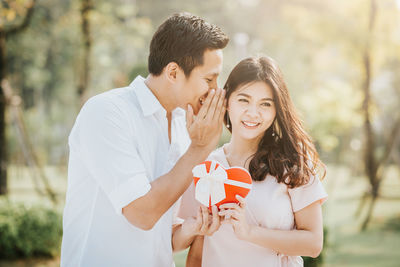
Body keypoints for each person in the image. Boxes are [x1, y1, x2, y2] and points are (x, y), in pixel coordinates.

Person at [60, 13, 229, 267]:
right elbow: (142, 213)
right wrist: (199, 149)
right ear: (173, 72)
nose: (216, 90)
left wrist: (193, 229)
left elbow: (163, 236)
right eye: (208, 79)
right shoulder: (107, 113)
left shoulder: (185, 128)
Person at [175, 56, 328, 267]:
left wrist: (249, 232)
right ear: (227, 101)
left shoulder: (292, 164)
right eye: (244, 100)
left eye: (265, 104)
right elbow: (190, 246)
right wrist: (195, 227)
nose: (253, 113)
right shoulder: (207, 167)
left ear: (276, 110)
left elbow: (313, 243)